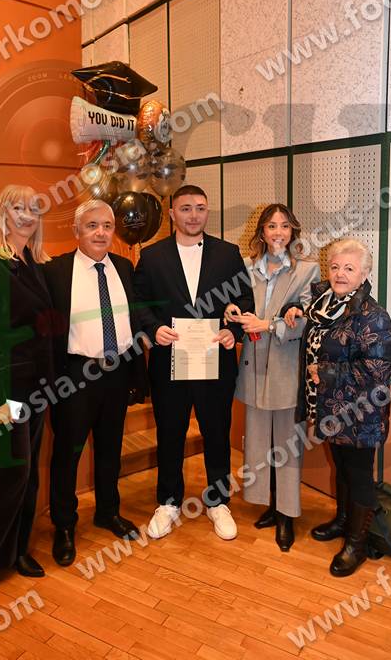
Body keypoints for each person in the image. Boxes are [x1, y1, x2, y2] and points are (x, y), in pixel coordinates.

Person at [134, 185, 254, 541]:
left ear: (207, 211)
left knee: (216, 431)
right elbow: (138, 302)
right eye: (185, 208)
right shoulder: (151, 256)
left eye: (200, 208)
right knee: (169, 432)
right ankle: (168, 501)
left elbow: (244, 299)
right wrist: (153, 328)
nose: (193, 215)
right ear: (172, 213)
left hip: (215, 360)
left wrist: (234, 330)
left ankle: (218, 502)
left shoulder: (228, 253)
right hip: (168, 362)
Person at [44, 199, 148, 566]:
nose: (101, 233)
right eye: (92, 226)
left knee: (110, 450)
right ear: (76, 231)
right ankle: (64, 525)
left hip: (116, 372)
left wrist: (137, 375)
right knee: (67, 455)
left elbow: (133, 323)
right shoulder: (55, 271)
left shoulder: (124, 267)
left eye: (106, 226)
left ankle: (107, 511)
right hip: (74, 376)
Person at [0, 185, 54, 607]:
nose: (26, 214)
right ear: (2, 213)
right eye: (17, 207)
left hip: (37, 387)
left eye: (33, 208)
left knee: (29, 473)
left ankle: (17, 551)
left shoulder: (33, 262)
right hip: (6, 392)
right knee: (10, 475)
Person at [286, 237, 391, 576]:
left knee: (358, 475)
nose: (340, 273)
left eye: (349, 268)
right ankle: (344, 521)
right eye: (335, 267)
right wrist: (294, 309)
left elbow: (376, 373)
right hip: (330, 408)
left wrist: (327, 372)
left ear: (364, 274)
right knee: (342, 467)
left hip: (360, 412)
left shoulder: (373, 317)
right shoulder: (325, 304)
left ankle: (356, 545)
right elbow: (313, 325)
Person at [226, 204, 320, 551]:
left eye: (284, 226)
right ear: (262, 232)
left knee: (286, 445)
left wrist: (267, 325)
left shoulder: (307, 270)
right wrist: (231, 311)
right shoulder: (246, 267)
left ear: (293, 231)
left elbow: (309, 321)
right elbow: (237, 304)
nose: (278, 232)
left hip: (285, 368)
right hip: (253, 368)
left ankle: (286, 515)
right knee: (258, 444)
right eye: (271, 226)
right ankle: (267, 503)